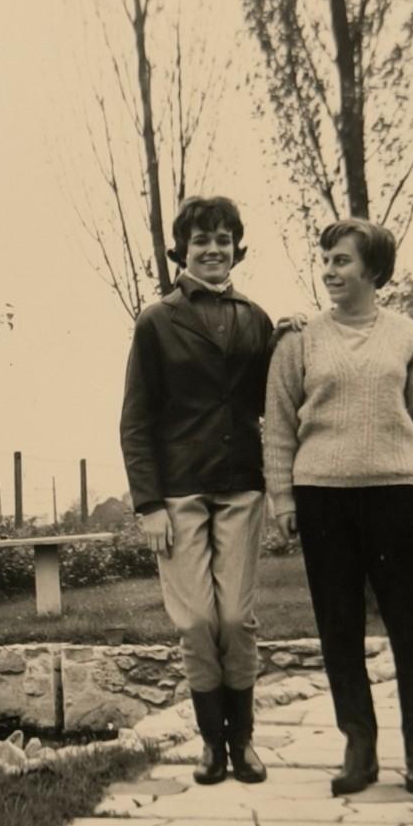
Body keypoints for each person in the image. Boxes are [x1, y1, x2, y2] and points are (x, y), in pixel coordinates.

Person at [263, 217, 413, 797]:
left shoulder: (407, 336)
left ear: (374, 269)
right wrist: (283, 497)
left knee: (412, 625)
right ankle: (360, 747)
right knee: (339, 628)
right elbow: (277, 425)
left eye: (342, 260)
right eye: (324, 260)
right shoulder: (297, 341)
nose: (329, 271)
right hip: (323, 500)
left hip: (397, 495)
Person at [119, 196, 273, 786]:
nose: (213, 248)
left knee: (235, 617)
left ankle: (245, 742)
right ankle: (212, 744)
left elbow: (269, 403)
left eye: (224, 238)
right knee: (195, 622)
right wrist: (148, 503)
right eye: (201, 240)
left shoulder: (256, 318)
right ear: (180, 250)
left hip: (241, 487)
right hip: (179, 493)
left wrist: (290, 343)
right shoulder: (156, 320)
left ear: (237, 247)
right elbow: (135, 420)